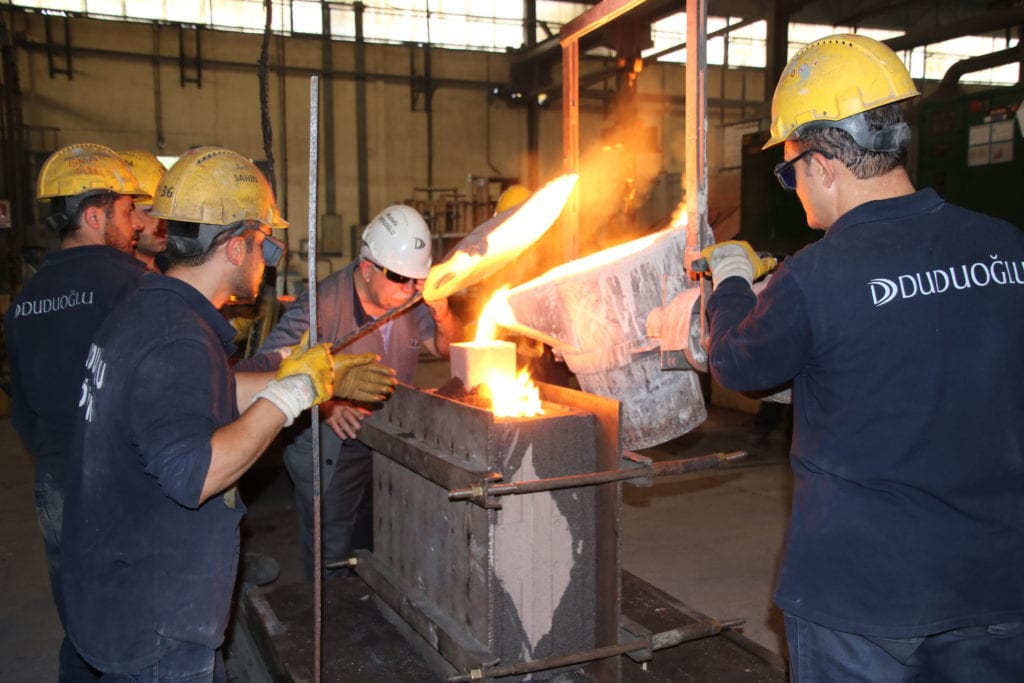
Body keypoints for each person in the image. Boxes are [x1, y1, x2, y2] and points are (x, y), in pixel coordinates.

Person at [701, 34, 1024, 681]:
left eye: (789, 172)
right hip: (995, 582)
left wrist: (730, 280)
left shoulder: (816, 276)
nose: (794, 189)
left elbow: (736, 362)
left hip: (862, 596)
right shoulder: (1007, 248)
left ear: (822, 164)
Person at [59, 146, 396, 680]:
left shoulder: (152, 309)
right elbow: (195, 474)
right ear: (237, 247)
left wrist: (314, 383)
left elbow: (206, 392)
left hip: (118, 585)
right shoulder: (177, 339)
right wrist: (291, 394)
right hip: (157, 618)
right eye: (266, 246)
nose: (269, 260)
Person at [238, 204, 462, 578]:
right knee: (332, 547)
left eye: (416, 281)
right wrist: (327, 402)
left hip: (385, 439)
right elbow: (266, 370)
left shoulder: (409, 298)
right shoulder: (321, 306)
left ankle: (367, 598)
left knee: (377, 535)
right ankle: (330, 608)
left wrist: (443, 314)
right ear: (367, 268)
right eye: (400, 278)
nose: (409, 289)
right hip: (333, 446)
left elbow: (445, 348)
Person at [5, 142, 149, 681]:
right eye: (128, 211)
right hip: (119, 479)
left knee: (82, 620)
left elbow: (22, 408)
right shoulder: (133, 285)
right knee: (136, 626)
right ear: (94, 216)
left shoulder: (25, 299)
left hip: (55, 478)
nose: (138, 223)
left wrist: (56, 454)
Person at [118, 149, 169, 272]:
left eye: (166, 212)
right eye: (150, 212)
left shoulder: (172, 268)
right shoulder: (118, 277)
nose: (164, 225)